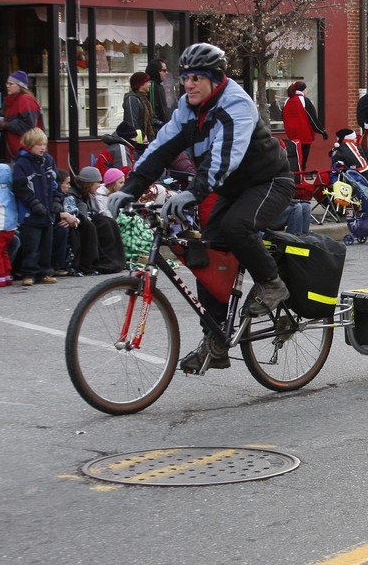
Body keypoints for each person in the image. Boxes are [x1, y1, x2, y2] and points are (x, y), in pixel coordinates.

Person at [107, 42, 294, 374]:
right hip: (230, 187)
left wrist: (192, 194)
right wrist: (131, 187)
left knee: (238, 228)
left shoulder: (235, 103)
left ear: (215, 78)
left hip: (268, 182)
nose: (188, 84)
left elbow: (225, 158)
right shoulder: (188, 108)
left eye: (197, 78)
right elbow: (162, 147)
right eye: (186, 78)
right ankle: (216, 342)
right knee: (207, 259)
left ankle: (272, 283)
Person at [12, 127, 60, 286]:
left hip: (48, 212)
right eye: (39, 145)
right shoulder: (22, 163)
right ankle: (29, 273)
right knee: (31, 245)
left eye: (44, 144)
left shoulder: (48, 160)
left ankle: (44, 271)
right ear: (29, 145)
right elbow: (21, 188)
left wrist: (56, 200)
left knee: (47, 244)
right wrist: (33, 203)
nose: (43, 148)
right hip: (30, 213)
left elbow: (54, 183)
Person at [0, 71, 42, 161]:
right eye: (7, 83)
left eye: (11, 83)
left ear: (20, 86)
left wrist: (6, 125)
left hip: (26, 151)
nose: (7, 86)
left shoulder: (25, 100)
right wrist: (4, 127)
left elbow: (28, 126)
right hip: (18, 151)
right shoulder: (12, 101)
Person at [282, 81, 326, 170]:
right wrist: (322, 131)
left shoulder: (287, 100)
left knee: (295, 157)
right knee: (303, 159)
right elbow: (312, 118)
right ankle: (301, 176)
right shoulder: (304, 100)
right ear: (303, 90)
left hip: (291, 134)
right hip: (304, 133)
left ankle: (295, 175)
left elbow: (283, 116)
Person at [122, 72, 157, 150]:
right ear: (140, 84)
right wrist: (141, 142)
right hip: (138, 145)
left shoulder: (144, 99)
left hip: (147, 141)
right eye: (147, 82)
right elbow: (132, 123)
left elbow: (149, 120)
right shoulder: (132, 99)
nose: (150, 84)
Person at [144, 58, 172, 128]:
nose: (166, 73)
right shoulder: (152, 86)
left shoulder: (159, 86)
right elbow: (153, 110)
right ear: (156, 71)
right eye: (164, 70)